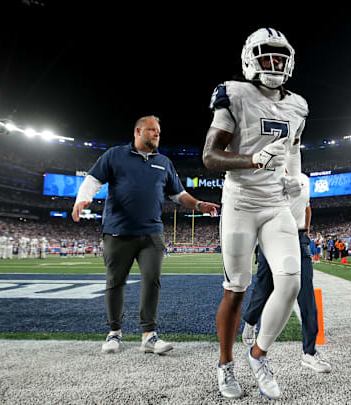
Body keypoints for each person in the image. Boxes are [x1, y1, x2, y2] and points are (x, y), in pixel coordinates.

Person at [203, 28, 306, 400]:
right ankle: (225, 366)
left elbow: (292, 150)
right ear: (251, 59)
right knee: (236, 290)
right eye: (267, 57)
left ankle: (259, 355)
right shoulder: (234, 93)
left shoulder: (298, 106)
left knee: (290, 281)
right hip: (241, 202)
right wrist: (252, 159)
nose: (274, 64)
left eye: (280, 57)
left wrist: (295, 180)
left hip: (276, 203)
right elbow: (210, 156)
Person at [73, 115, 220, 355]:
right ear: (138, 131)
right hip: (117, 231)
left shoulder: (164, 162)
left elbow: (178, 194)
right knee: (115, 283)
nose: (157, 134)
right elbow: (93, 180)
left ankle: (149, 335)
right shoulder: (114, 155)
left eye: (158, 131)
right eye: (152, 130)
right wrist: (83, 199)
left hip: (152, 233)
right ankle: (114, 332)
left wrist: (198, 205)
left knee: (152, 280)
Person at [241, 174, 331, 375]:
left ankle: (309, 352)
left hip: (298, 238)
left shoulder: (304, 179)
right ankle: (250, 321)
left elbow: (307, 206)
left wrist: (305, 230)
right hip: (272, 235)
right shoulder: (269, 174)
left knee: (306, 294)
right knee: (264, 287)